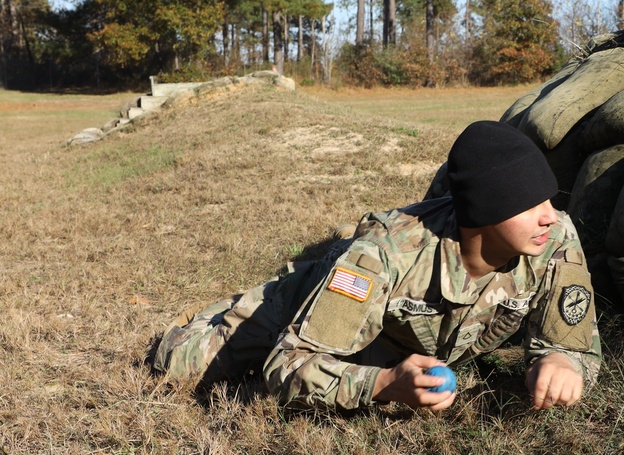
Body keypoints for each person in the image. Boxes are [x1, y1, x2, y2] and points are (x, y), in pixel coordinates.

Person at [153, 120, 600, 413]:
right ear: (484, 212)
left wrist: (562, 360)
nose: (548, 214)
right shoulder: (384, 256)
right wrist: (383, 383)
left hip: (398, 332)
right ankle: (281, 289)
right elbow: (287, 365)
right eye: (527, 204)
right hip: (343, 291)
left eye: (547, 199)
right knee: (178, 364)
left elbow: (575, 345)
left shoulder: (554, 236)